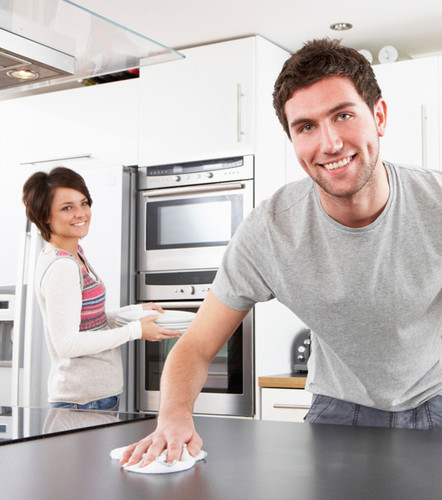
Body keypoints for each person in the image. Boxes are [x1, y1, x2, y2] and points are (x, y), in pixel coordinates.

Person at [121, 38, 442, 466]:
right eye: (306, 127)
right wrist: (173, 417)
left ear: (379, 116)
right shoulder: (270, 231)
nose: (329, 143)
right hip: (339, 409)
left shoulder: (436, 203)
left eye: (343, 115)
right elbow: (196, 344)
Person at [22, 167, 181, 411]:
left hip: (94, 397)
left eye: (84, 203)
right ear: (45, 216)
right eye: (67, 208)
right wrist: (135, 330)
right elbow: (67, 343)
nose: (81, 213)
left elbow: (88, 321)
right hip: (83, 400)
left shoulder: (74, 254)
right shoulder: (62, 267)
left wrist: (134, 311)